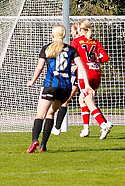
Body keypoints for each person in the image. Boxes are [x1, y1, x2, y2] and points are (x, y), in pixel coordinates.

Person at [25, 25, 83, 154]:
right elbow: (81, 66)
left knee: (40, 115)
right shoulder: (71, 49)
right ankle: (43, 145)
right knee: (50, 113)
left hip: (50, 86)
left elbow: (40, 67)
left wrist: (32, 81)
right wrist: (87, 86)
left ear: (52, 35)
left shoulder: (47, 49)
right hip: (66, 89)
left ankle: (35, 140)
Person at [70, 19, 112, 139]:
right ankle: (86, 128)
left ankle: (103, 124)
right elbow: (105, 58)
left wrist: (76, 64)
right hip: (96, 73)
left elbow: (72, 57)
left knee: (88, 100)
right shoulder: (96, 42)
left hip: (84, 74)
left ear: (80, 29)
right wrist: (93, 61)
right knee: (82, 100)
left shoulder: (77, 41)